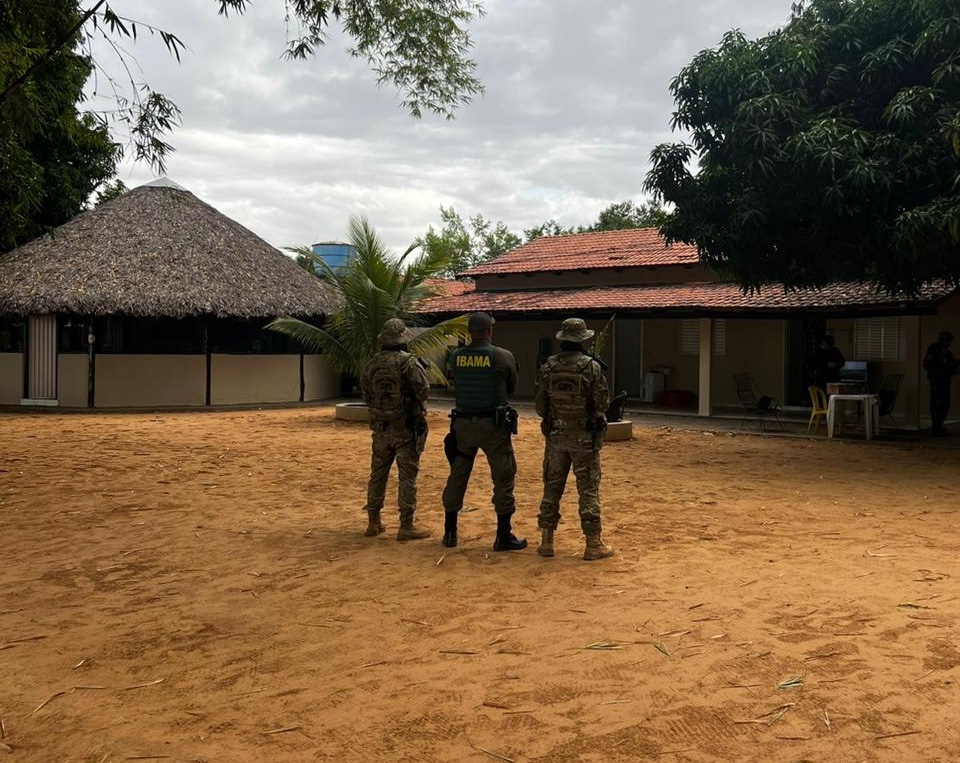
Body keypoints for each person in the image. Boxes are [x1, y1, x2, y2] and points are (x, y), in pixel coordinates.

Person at [441, 312, 526, 551]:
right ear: (490, 331)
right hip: (493, 427)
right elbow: (512, 386)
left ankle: (450, 533)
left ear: (470, 332)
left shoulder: (456, 357)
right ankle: (503, 535)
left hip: (463, 426)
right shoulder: (501, 355)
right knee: (503, 477)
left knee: (458, 475)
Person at [534, 318, 613, 561]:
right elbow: (602, 403)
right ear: (583, 339)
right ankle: (593, 544)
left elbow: (540, 405)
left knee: (552, 487)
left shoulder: (548, 367)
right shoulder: (591, 367)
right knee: (588, 489)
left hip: (556, 437)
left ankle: (546, 541)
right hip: (585, 439)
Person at [359, 318, 431, 540]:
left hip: (381, 428)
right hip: (405, 429)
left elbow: (366, 393)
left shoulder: (372, 363)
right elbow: (423, 390)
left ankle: (374, 522)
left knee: (378, 475)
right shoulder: (408, 363)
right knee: (407, 477)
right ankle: (406, 525)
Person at [923, 330, 958, 437]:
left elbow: (951, 363)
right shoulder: (936, 349)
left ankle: (938, 427)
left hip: (942, 381)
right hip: (938, 381)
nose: (950, 342)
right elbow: (928, 364)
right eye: (949, 340)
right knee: (938, 405)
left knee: (942, 404)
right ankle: (936, 429)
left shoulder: (944, 350)